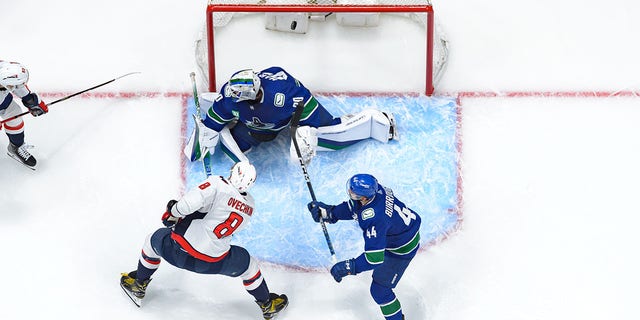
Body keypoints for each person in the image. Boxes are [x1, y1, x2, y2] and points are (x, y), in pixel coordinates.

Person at [120, 161, 288, 319]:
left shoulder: (217, 183)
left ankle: (138, 284)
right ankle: (267, 305)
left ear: (233, 173)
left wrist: (173, 212)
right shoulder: (250, 206)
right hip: (214, 263)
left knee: (153, 241)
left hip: (178, 253)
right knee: (249, 266)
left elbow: (186, 205)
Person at [185, 66, 398, 164]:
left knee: (324, 139)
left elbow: (303, 103)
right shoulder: (231, 95)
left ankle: (371, 121)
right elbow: (214, 118)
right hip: (258, 127)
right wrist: (204, 135)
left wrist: (304, 132)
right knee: (239, 145)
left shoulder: (283, 95)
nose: (230, 95)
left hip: (294, 112)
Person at [307, 174, 421, 320]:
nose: (350, 193)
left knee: (380, 291)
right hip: (400, 231)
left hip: (402, 248)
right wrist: (331, 213)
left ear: (365, 198)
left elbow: (374, 259)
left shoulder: (375, 218)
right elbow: (355, 207)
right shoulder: (376, 190)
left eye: (354, 193)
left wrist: (349, 267)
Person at [0, 60, 49, 169]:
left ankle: (15, 147)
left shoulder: (5, 72)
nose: (15, 87)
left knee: (15, 114)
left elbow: (18, 85)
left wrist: (31, 101)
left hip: (3, 103)